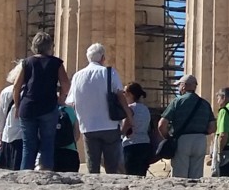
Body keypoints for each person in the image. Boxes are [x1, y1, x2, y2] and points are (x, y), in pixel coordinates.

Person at [8, 33, 67, 171]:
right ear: (50, 46)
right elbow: (66, 84)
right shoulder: (56, 63)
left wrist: (17, 106)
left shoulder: (26, 62)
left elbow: (16, 87)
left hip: (27, 106)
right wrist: (61, 99)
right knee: (47, 143)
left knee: (28, 145)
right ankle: (46, 172)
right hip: (48, 106)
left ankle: (25, 175)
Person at [65, 44, 127, 175]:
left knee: (92, 166)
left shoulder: (77, 76)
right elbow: (120, 95)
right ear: (103, 58)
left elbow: (70, 102)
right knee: (112, 166)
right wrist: (129, 116)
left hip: (88, 127)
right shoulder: (110, 72)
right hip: (110, 124)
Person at [158, 76, 213, 179]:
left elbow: (162, 124)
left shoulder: (177, 102)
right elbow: (212, 128)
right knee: (196, 177)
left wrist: (168, 138)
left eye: (179, 85)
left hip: (182, 140)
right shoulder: (205, 104)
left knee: (180, 177)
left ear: (183, 86)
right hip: (200, 140)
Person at [122, 83, 156, 176]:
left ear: (130, 94)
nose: (123, 94)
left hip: (131, 145)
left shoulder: (130, 109)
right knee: (141, 176)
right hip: (145, 144)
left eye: (124, 92)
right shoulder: (145, 109)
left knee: (130, 175)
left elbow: (124, 128)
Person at [0, 64, 25, 171]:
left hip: (6, 135)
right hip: (22, 134)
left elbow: (1, 116)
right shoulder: (29, 91)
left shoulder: (5, 91)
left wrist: (0, 134)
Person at [53, 104, 82, 173]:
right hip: (70, 151)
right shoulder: (70, 110)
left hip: (53, 152)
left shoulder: (47, 110)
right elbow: (77, 133)